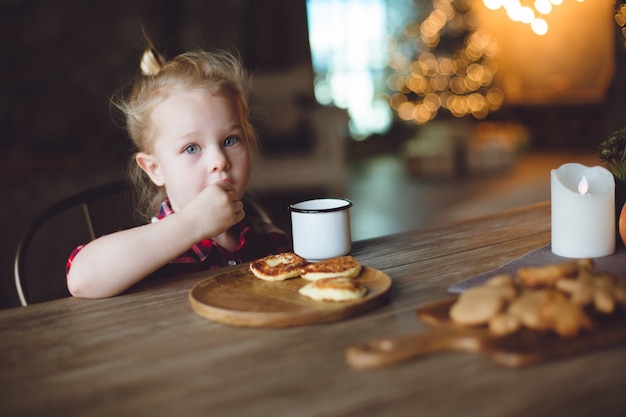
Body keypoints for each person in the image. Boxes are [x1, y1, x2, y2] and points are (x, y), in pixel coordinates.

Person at [66, 43, 291, 298]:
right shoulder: (142, 257)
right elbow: (81, 279)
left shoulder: (272, 242)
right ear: (155, 168)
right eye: (192, 148)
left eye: (230, 140)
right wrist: (191, 223)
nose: (219, 160)